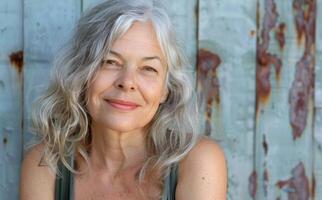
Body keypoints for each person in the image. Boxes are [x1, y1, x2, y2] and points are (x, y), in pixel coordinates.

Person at [20, 0, 227, 199]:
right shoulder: (45, 165)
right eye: (110, 62)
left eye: (148, 68)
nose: (127, 82)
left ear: (165, 89)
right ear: (80, 75)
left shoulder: (198, 161)